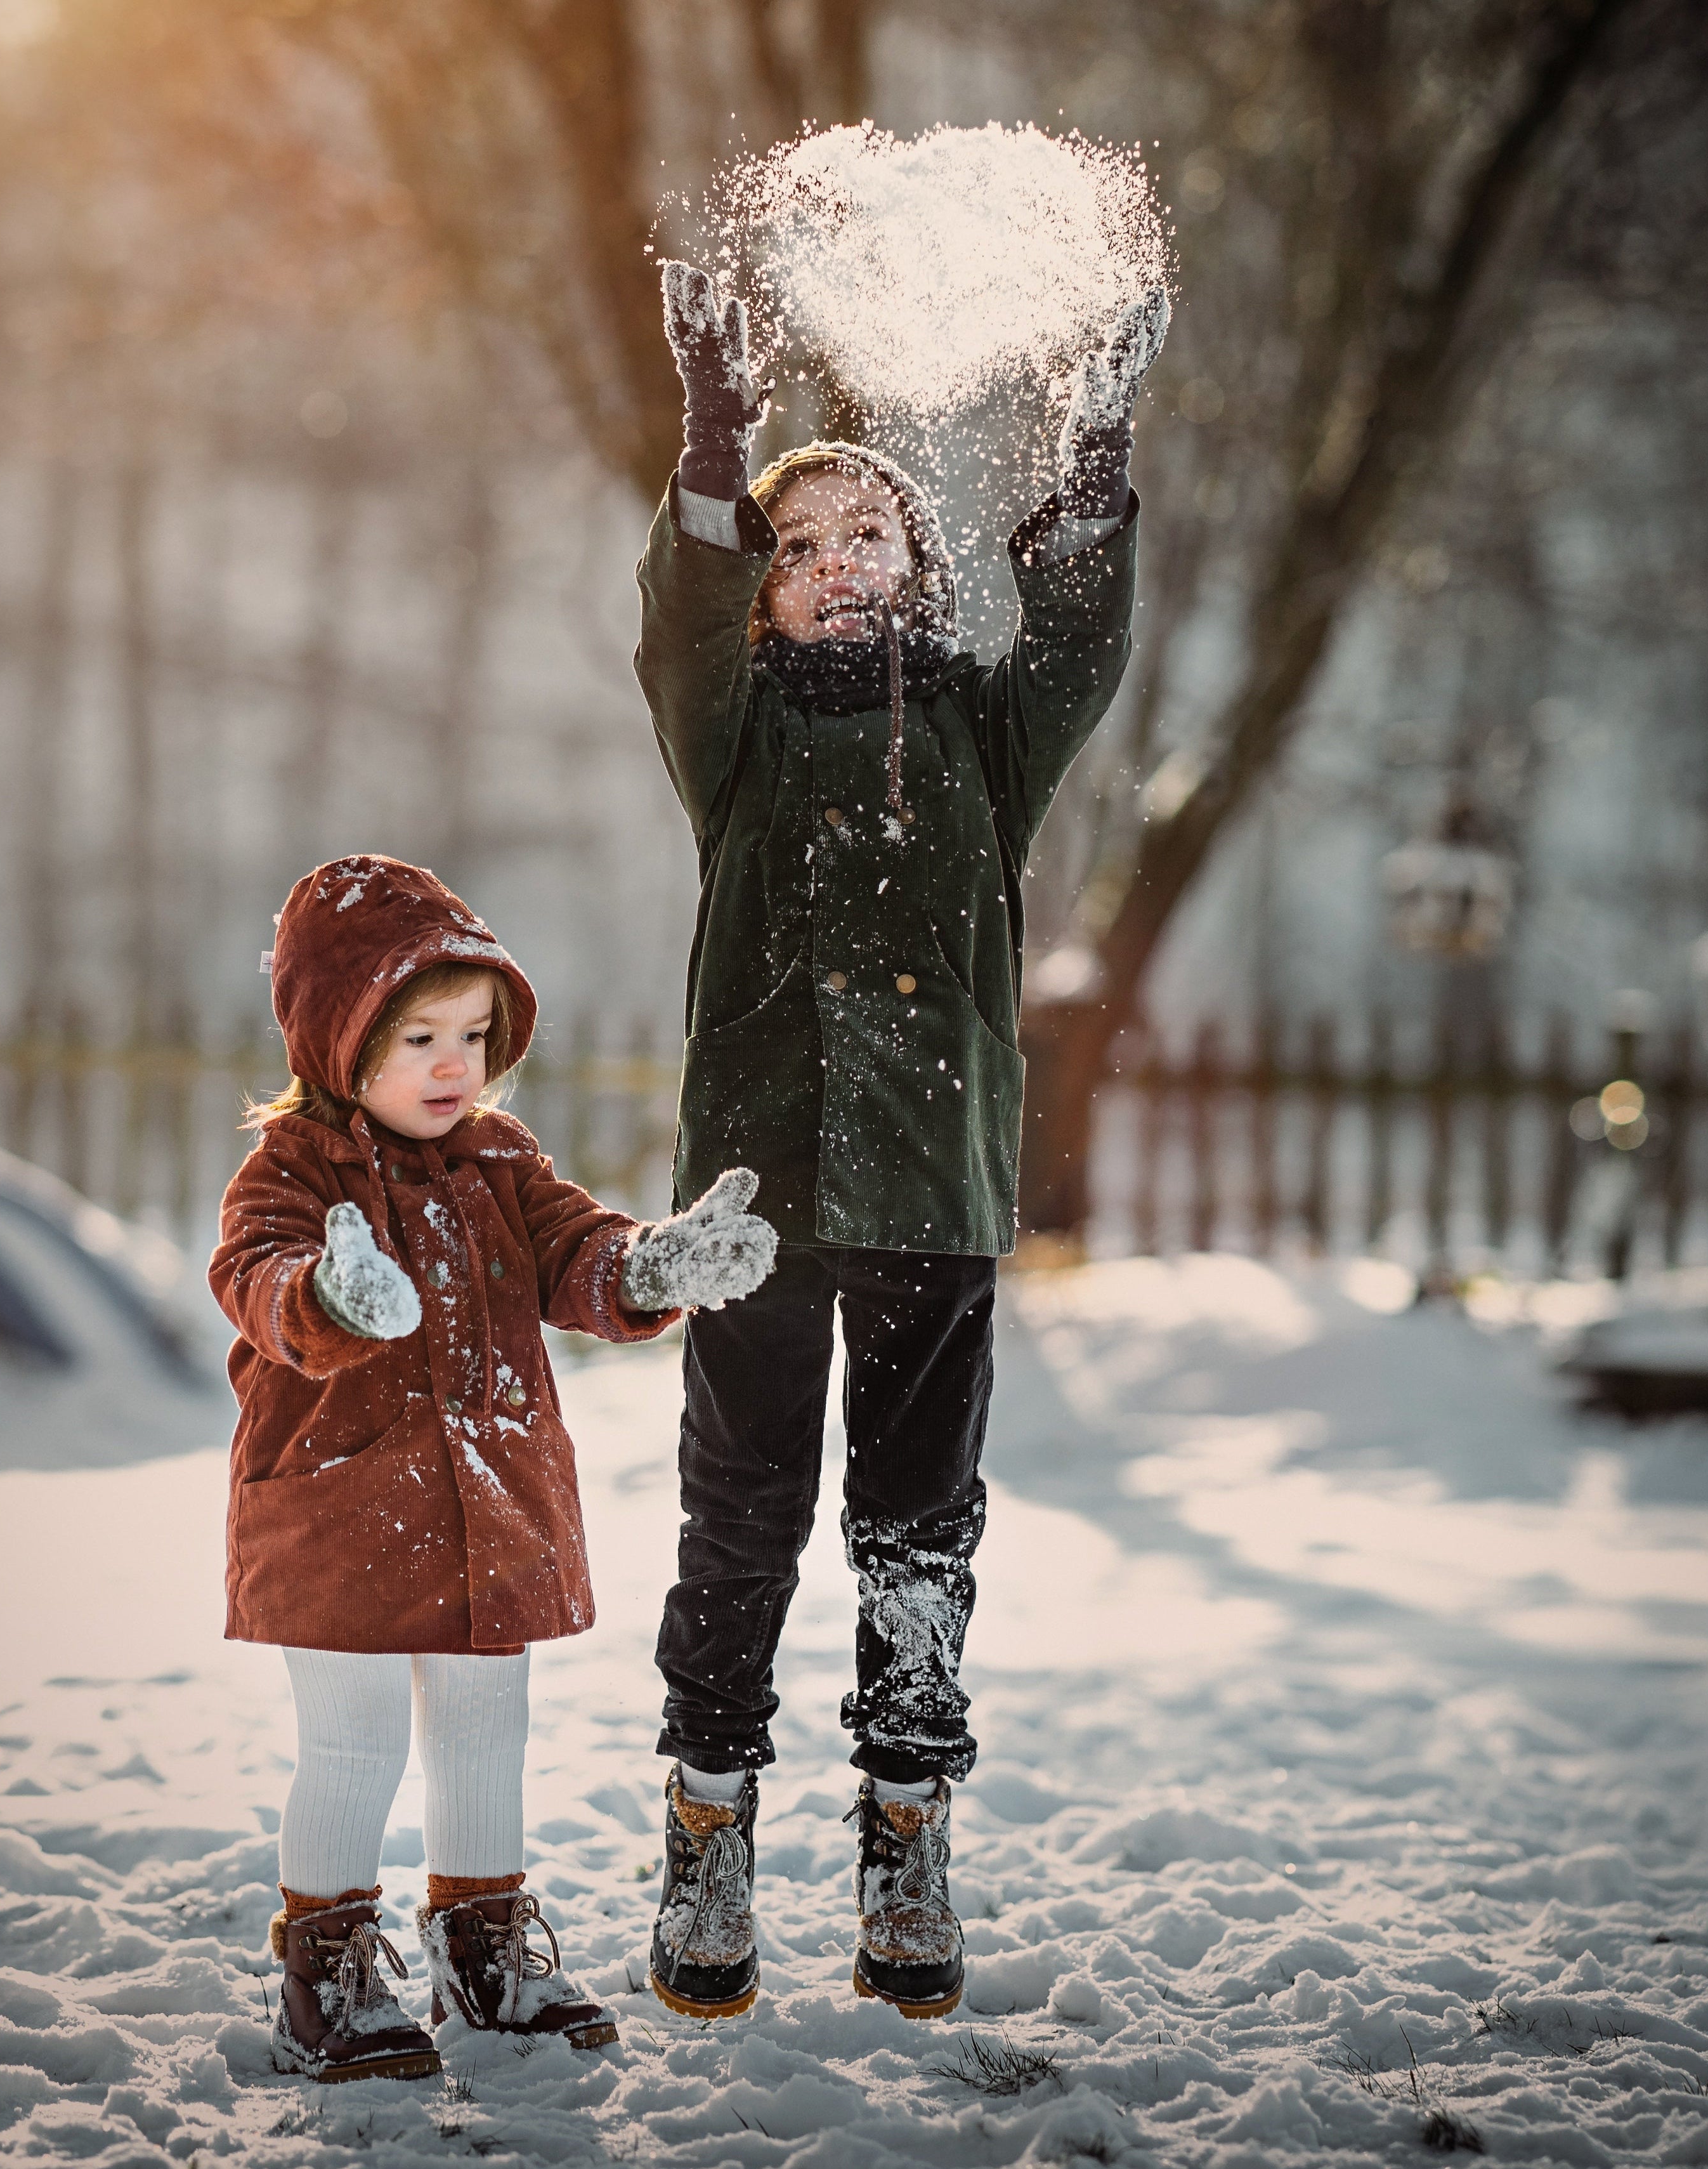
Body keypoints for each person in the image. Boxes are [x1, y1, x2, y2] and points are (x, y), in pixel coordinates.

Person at [634, 265, 1169, 2019]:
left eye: (873, 532)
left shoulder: (983, 732)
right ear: (769, 601)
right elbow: (676, 625)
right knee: (742, 1518)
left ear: (924, 567)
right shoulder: (734, 735)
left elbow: (1081, 636)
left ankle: (905, 1830)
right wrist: (716, 433)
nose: (841, 558)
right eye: (800, 545)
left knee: (916, 1531)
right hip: (757, 1202)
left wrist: (1090, 444)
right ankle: (708, 1824)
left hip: (935, 1192)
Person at [212, 853, 775, 2080]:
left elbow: (574, 1249)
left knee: (483, 1738)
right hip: (339, 1510)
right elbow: (253, 1279)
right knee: (354, 1745)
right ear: (338, 1038)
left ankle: (486, 1950)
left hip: (492, 1503)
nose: (455, 1065)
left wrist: (649, 1268)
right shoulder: (294, 1173)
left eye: (473, 1034)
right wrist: (327, 1294)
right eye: (418, 1037)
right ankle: (329, 1968)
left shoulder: (500, 1158)